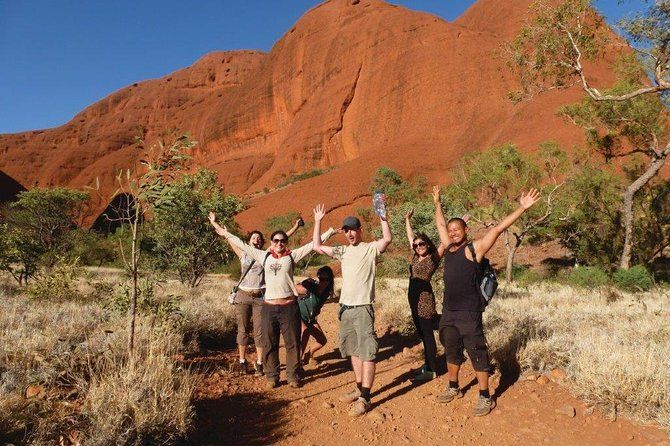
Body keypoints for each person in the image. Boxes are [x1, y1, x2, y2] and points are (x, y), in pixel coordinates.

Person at [433, 186, 540, 416]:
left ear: (465, 230)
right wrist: (437, 203)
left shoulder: (475, 249)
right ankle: (453, 386)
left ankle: (485, 395)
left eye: (457, 229)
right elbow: (440, 225)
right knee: (451, 349)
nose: (452, 233)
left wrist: (522, 207)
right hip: (449, 311)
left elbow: (500, 228)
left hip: (469, 313)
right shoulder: (449, 248)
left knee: (477, 352)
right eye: (451, 230)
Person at [209, 212, 334, 389]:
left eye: (282, 240)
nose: (279, 243)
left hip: (289, 306)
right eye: (275, 240)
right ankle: (272, 376)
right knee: (269, 343)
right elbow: (241, 243)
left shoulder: (292, 256)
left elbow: (313, 245)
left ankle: (292, 375)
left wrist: (324, 227)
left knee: (292, 343)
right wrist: (220, 229)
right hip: (269, 307)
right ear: (271, 242)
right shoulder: (263, 256)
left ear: (286, 242)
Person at [313, 204, 392, 417]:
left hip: (363, 308)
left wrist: (383, 217)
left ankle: (366, 397)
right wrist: (319, 221)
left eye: (352, 229)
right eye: (345, 230)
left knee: (367, 352)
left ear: (360, 230)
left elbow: (386, 240)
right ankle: (358, 387)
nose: (349, 233)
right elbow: (317, 246)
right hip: (345, 309)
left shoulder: (370, 248)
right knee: (354, 351)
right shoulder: (343, 251)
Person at [211, 217, 304, 377]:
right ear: (249, 241)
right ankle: (242, 361)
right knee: (243, 330)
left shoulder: (266, 254)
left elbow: (280, 239)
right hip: (243, 295)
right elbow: (234, 240)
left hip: (260, 297)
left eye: (259, 238)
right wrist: (216, 225)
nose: (256, 240)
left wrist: (295, 226)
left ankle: (260, 363)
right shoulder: (243, 253)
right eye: (253, 238)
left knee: (261, 332)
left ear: (262, 243)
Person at [404, 208, 446, 381]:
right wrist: (407, 219)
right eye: (416, 245)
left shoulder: (433, 258)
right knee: (422, 333)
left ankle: (432, 370)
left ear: (428, 245)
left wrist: (447, 225)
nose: (418, 247)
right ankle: (428, 364)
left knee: (427, 334)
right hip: (414, 301)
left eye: (421, 244)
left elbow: (445, 241)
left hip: (424, 300)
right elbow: (410, 237)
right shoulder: (415, 257)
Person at [295, 265, 335, 366]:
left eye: (327, 279)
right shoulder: (310, 286)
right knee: (305, 332)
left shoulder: (326, 292)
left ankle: (309, 354)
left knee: (322, 340)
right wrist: (313, 280)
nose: (324, 281)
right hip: (299, 315)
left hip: (310, 319)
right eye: (321, 279)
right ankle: (297, 363)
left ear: (330, 280)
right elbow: (298, 286)